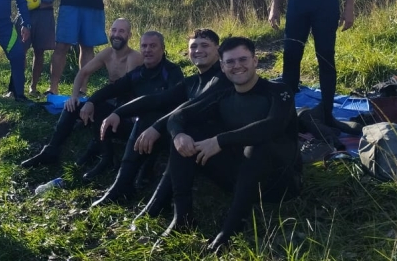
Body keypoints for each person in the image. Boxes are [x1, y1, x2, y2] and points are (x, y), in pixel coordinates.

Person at [163, 37, 301, 253]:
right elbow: (178, 115)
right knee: (187, 134)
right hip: (236, 180)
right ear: (222, 66)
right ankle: (182, 217)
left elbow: (271, 126)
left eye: (243, 59)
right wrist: (178, 134)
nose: (237, 66)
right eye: (230, 62)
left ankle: (231, 230)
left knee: (258, 146)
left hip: (278, 184)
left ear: (255, 61)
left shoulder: (279, 91)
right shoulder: (222, 93)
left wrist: (220, 140)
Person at [93, 28, 229, 208]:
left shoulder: (222, 79)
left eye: (205, 45)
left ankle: (157, 203)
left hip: (220, 150)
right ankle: (121, 185)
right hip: (190, 140)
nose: (198, 50)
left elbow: (187, 110)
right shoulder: (194, 81)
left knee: (175, 129)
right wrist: (118, 113)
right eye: (194, 46)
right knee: (149, 115)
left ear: (218, 50)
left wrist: (156, 127)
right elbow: (156, 99)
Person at [21, 30, 183, 179]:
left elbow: (174, 104)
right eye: (144, 46)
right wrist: (90, 102)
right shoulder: (138, 73)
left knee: (137, 116)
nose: (148, 50)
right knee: (90, 106)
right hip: (133, 125)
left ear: (162, 48)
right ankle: (66, 152)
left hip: (157, 129)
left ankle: (127, 167)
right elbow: (112, 89)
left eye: (153, 46)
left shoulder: (172, 72)